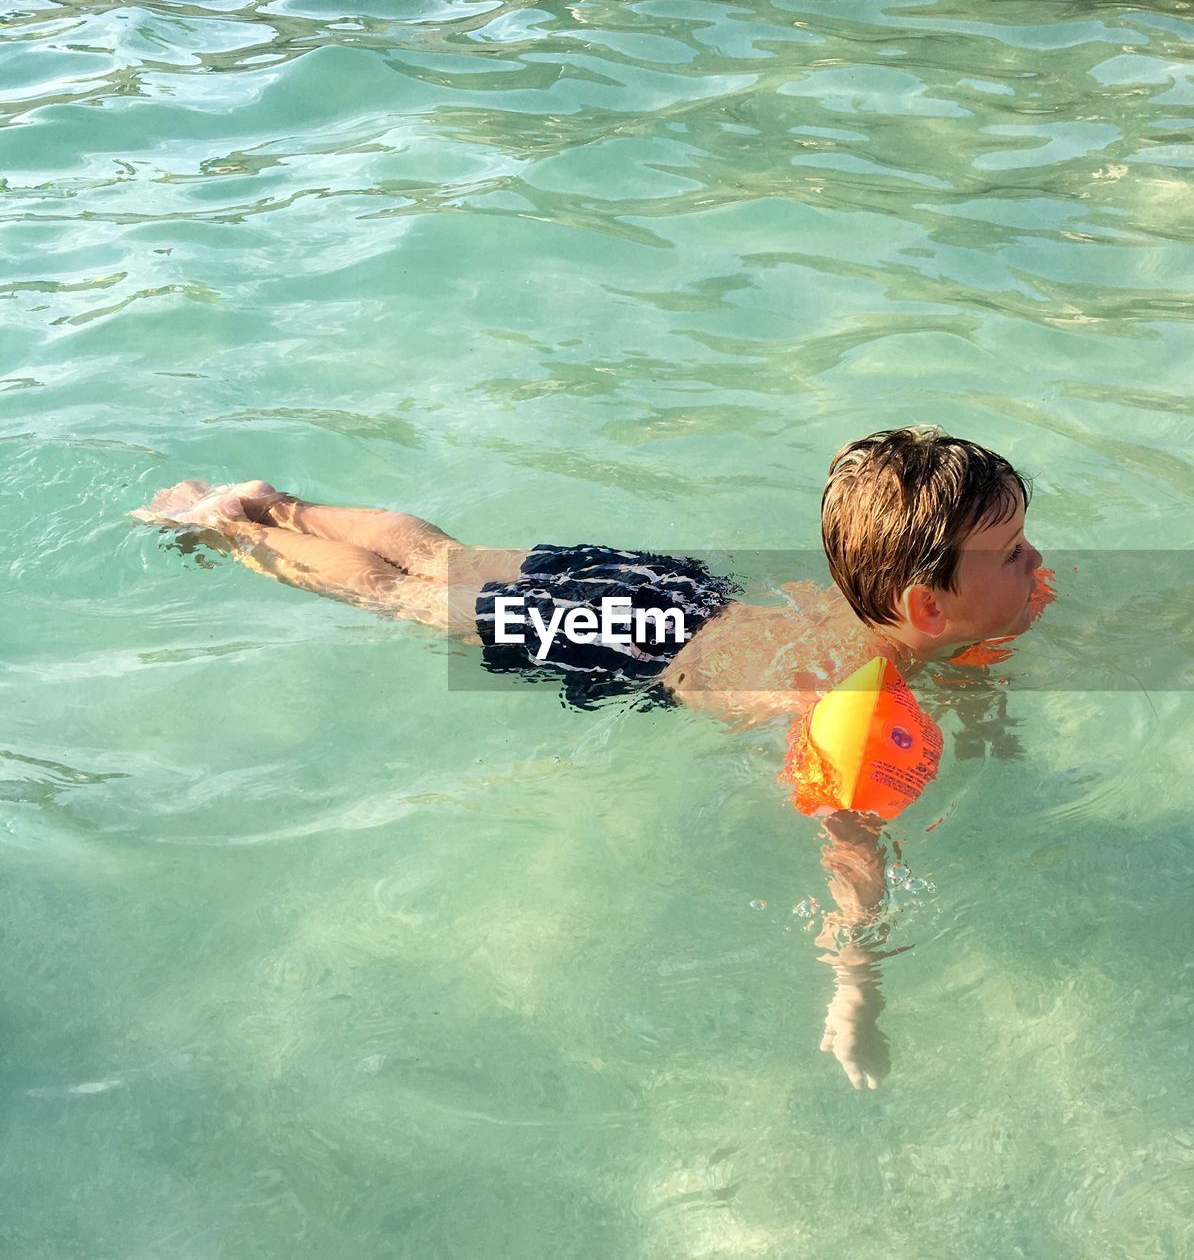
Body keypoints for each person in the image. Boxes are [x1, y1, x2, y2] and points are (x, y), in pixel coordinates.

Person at [130, 425, 1045, 1091]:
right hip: (635, 645)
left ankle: (270, 502)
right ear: (928, 607)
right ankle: (227, 528)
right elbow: (854, 851)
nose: (1034, 561)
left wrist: (986, 689)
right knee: (402, 595)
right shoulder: (848, 713)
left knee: (441, 559)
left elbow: (956, 670)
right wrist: (857, 992)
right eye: (1012, 553)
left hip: (669, 593)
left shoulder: (881, 619)